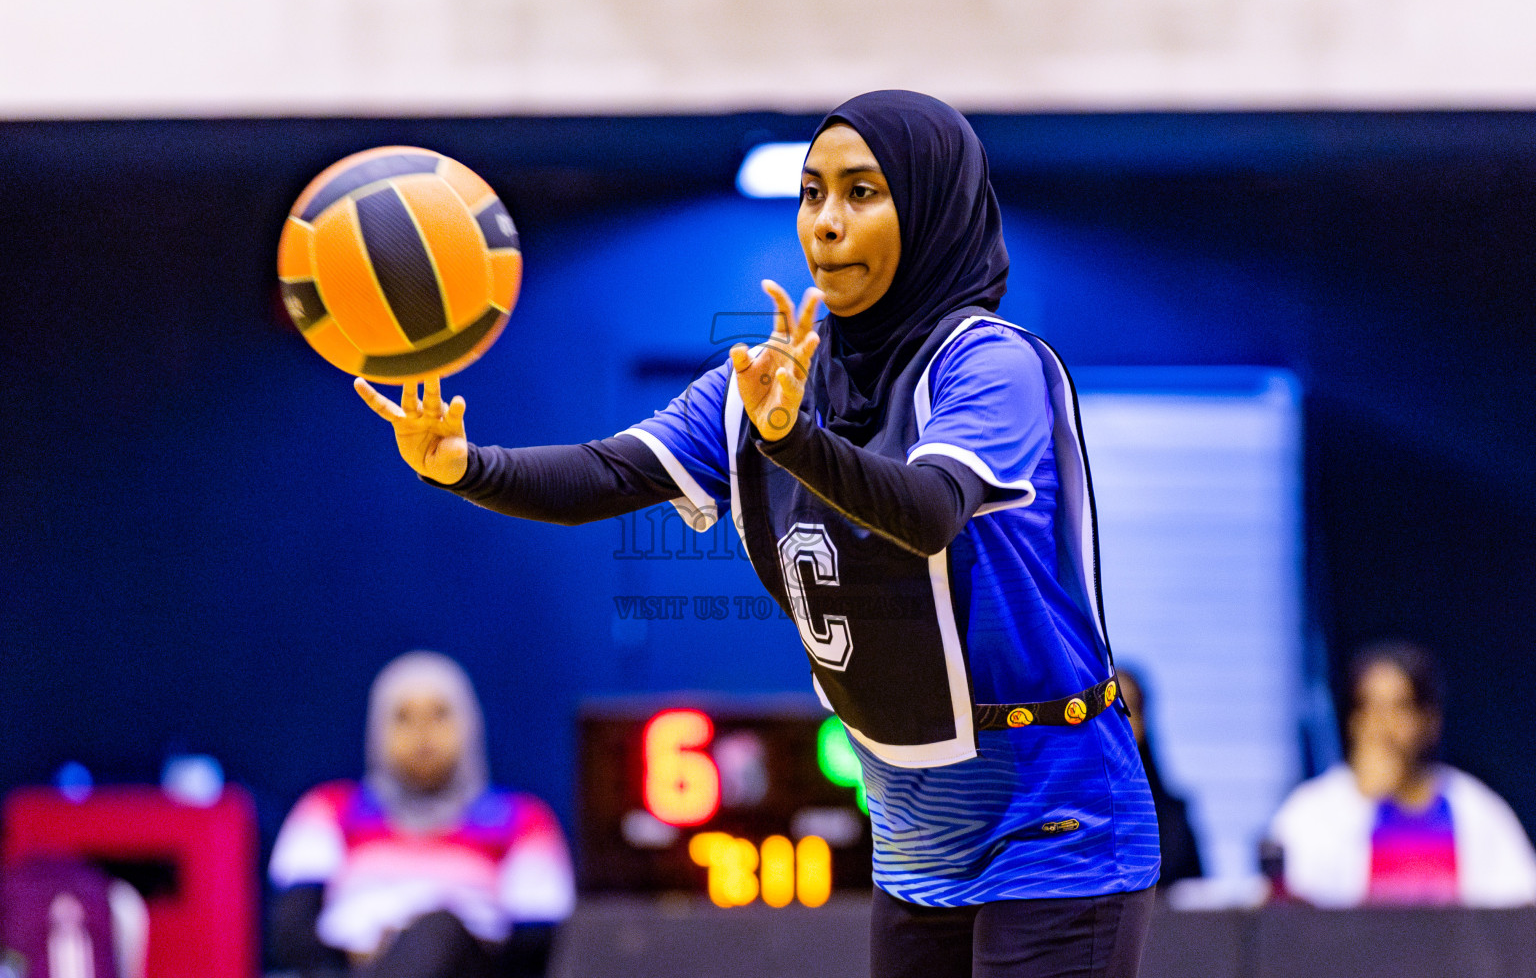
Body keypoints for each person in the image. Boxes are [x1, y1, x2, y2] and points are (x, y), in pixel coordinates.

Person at [356, 90, 1159, 978]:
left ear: (932, 208)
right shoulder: (763, 384)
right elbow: (608, 473)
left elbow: (928, 511)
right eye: (813, 193)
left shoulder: (989, 362)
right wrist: (464, 464)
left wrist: (796, 443)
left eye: (863, 193)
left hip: (1055, 815)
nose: (828, 222)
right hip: (914, 831)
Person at [268, 651, 575, 978]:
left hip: (470, 966)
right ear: (378, 727)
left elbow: (537, 945)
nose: (422, 733)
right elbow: (292, 930)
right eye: (403, 717)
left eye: (439, 714)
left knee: (438, 929)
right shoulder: (329, 808)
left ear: (469, 722)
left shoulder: (522, 820)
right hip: (349, 968)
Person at [1268, 641, 1536, 907]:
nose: (1382, 726)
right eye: (1368, 708)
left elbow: (1520, 908)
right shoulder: (1314, 809)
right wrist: (1361, 799)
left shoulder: (1475, 808)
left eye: (1399, 708)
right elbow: (1291, 908)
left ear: (1430, 721)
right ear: (1352, 722)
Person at [1116, 668, 1203, 888]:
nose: (1121, 724)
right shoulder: (1061, 815)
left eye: (1129, 709)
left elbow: (1198, 901)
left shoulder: (1174, 816)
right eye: (1110, 711)